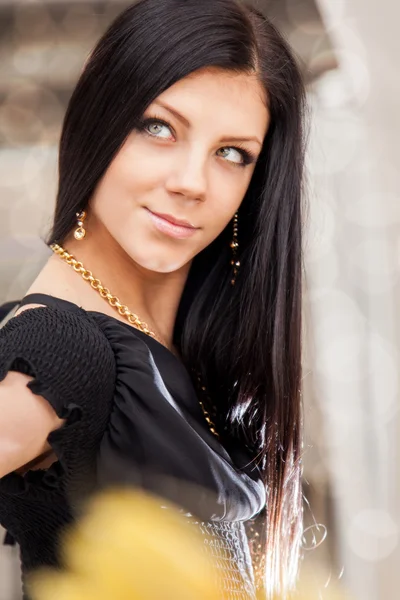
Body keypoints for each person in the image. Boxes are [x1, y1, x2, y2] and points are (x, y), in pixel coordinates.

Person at [0, 0, 307, 598]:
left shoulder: (201, 367)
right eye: (158, 127)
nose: (191, 181)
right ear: (98, 122)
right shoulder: (60, 351)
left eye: (232, 153)